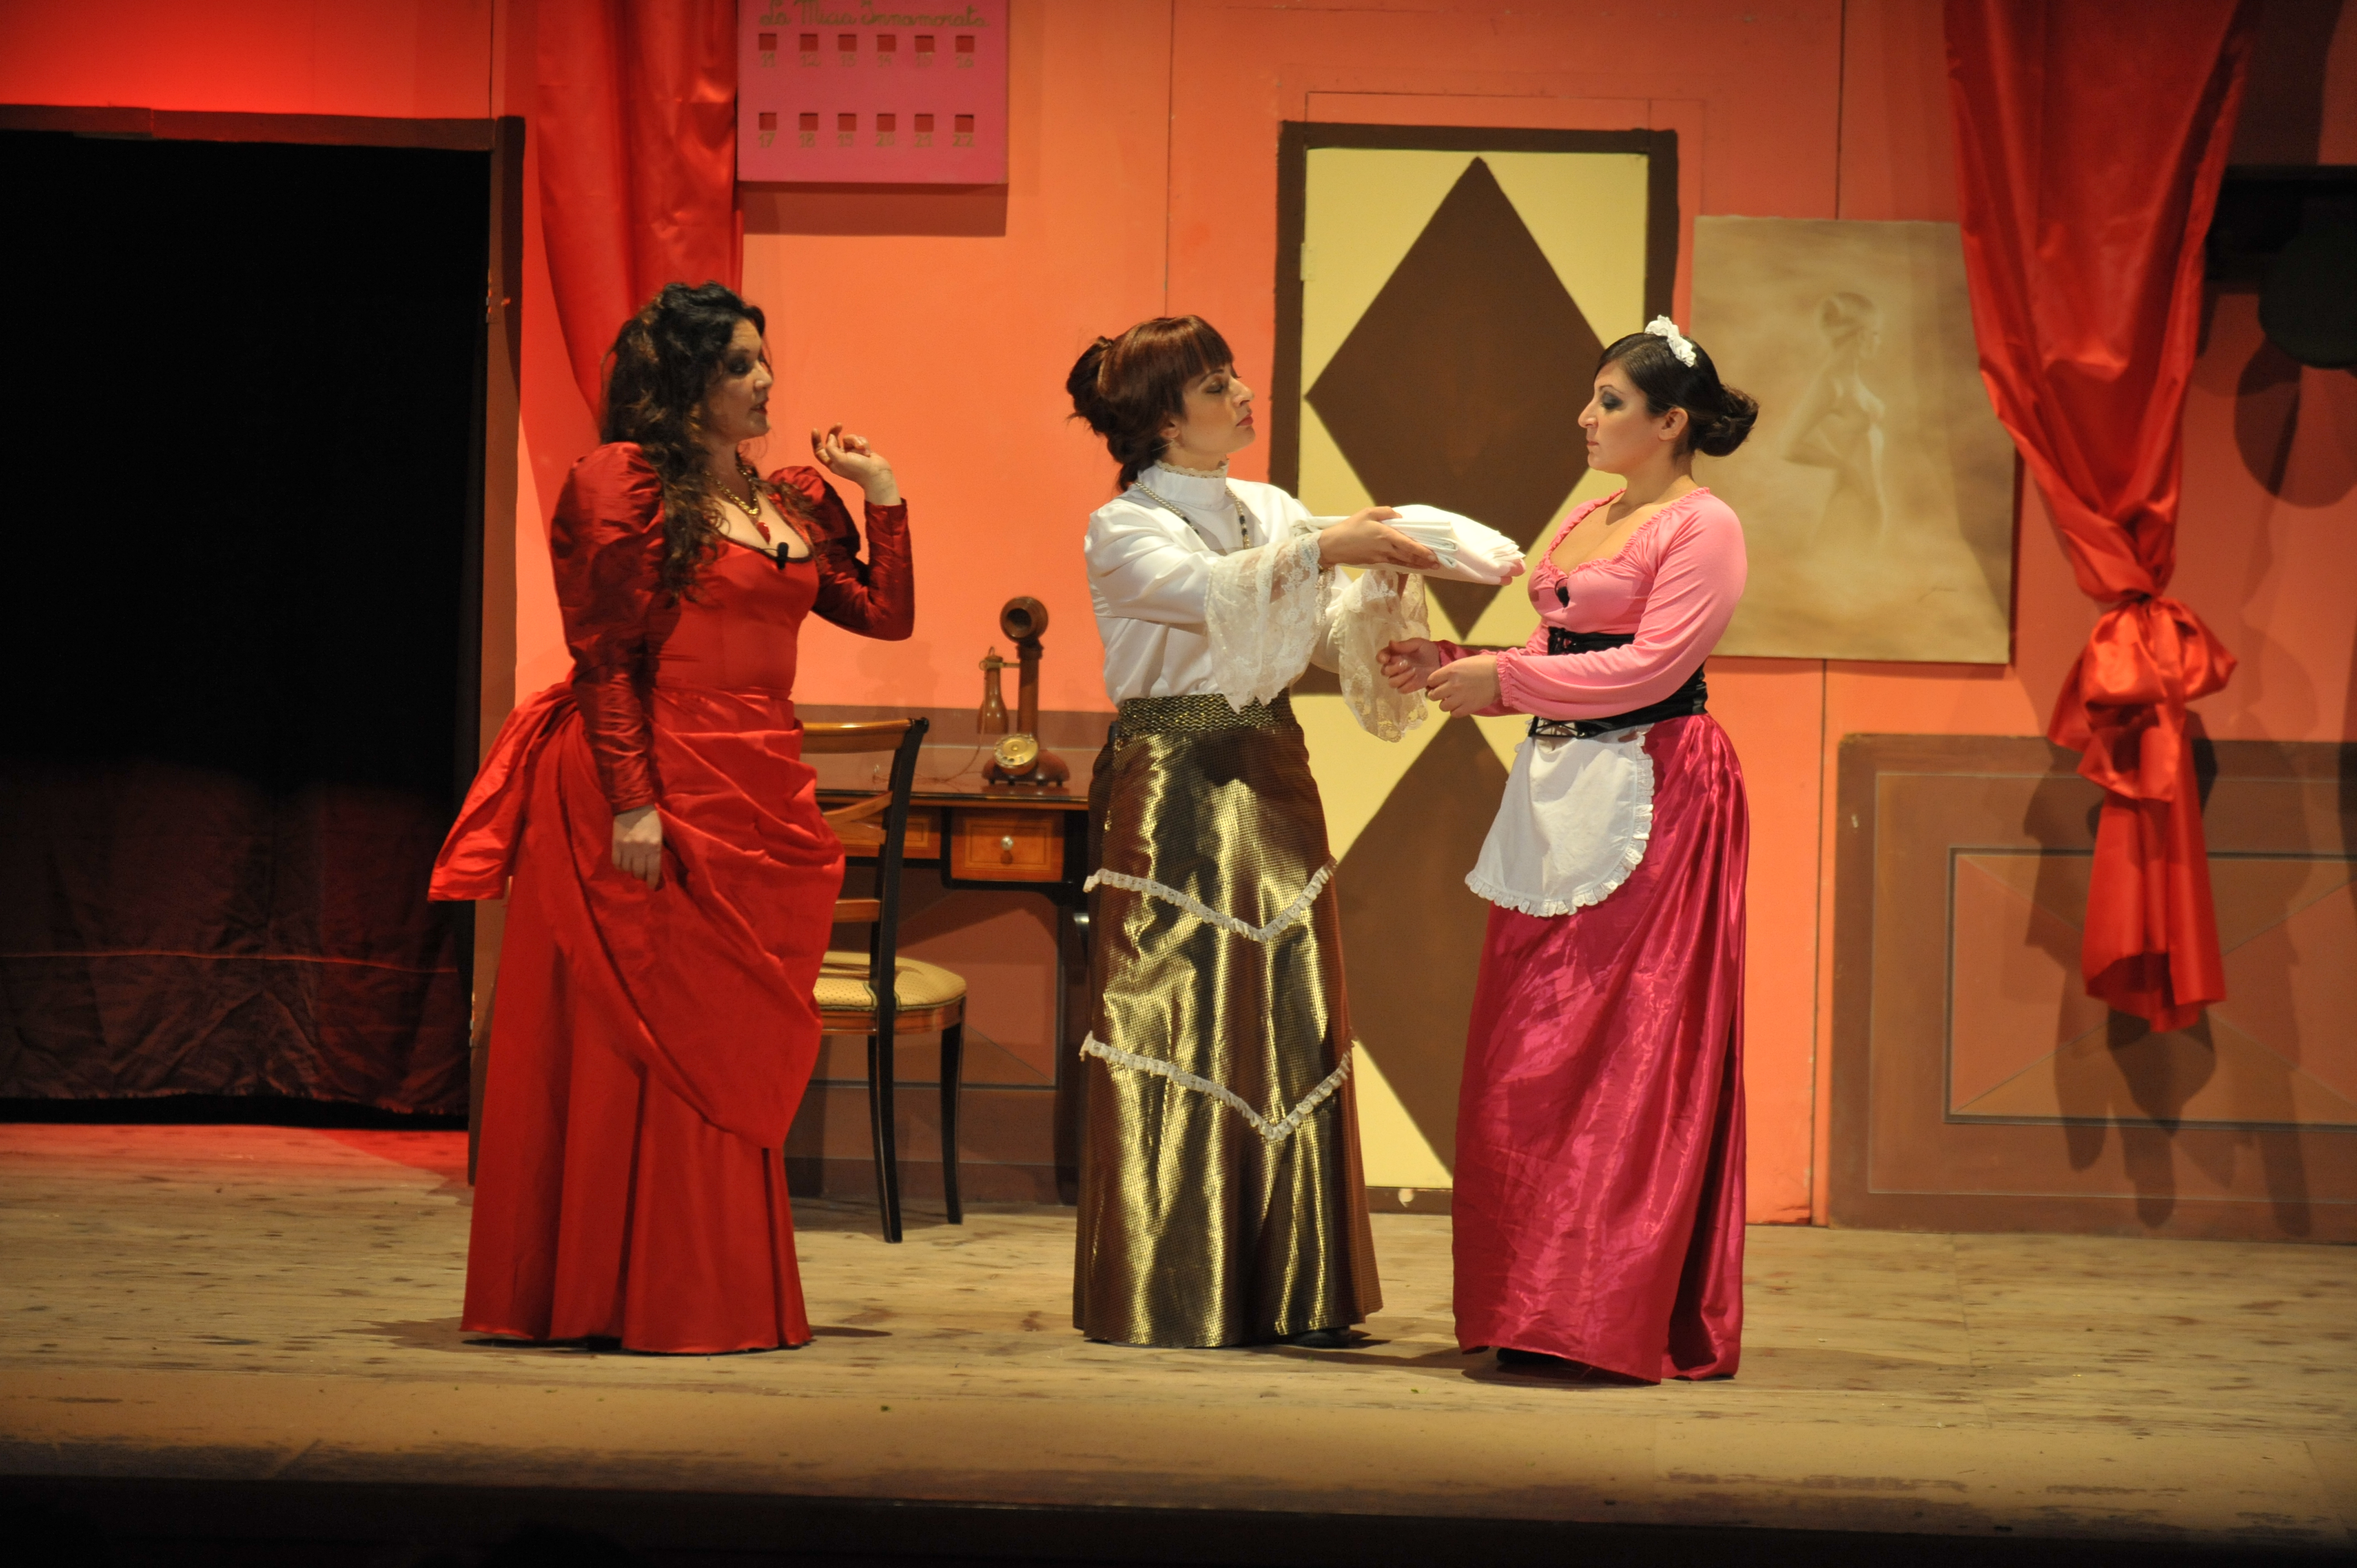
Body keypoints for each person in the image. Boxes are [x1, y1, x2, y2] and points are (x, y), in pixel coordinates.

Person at [431, 281, 913, 1353]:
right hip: (653, 771)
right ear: (684, 383)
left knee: (732, 1032)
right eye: (740, 364)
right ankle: (623, 1290)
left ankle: (708, 1286)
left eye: (763, 358)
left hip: (757, 774)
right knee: (654, 1033)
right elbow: (605, 657)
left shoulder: (785, 499)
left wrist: (881, 492)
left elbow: (884, 615)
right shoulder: (626, 485)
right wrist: (634, 803)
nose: (766, 380)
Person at [1381, 317, 1756, 1383]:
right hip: (1561, 790)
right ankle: (1525, 1303)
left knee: (1621, 1046)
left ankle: (1596, 1314)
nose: (1586, 417)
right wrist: (1457, 657)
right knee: (1528, 1048)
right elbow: (1560, 648)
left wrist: (1501, 680)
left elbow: (1649, 669)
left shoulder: (1704, 526)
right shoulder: (1598, 514)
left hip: (1658, 790)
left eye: (1611, 401)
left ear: (1670, 422)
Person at [1066, 314, 1437, 1349]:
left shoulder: (1269, 508)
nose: (1241, 396)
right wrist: (1325, 547)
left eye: (1234, 377)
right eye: (1215, 385)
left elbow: (1313, 631)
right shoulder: (1125, 526)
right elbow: (1203, 596)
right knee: (1170, 1013)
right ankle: (1170, 1287)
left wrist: (1379, 583)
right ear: (1162, 419)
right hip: (1171, 779)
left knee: (1287, 1005)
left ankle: (1292, 1288)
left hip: (1271, 770)